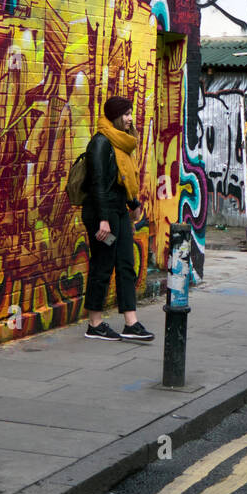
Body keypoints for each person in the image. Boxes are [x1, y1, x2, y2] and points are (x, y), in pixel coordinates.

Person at [81, 96, 154, 342]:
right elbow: (98, 184)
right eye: (125, 114)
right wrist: (103, 219)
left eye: (130, 113)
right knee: (103, 262)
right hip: (102, 214)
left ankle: (130, 322)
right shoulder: (100, 143)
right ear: (114, 116)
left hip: (119, 212)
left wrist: (133, 204)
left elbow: (122, 179)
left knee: (126, 263)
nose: (130, 118)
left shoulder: (123, 143)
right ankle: (94, 323)